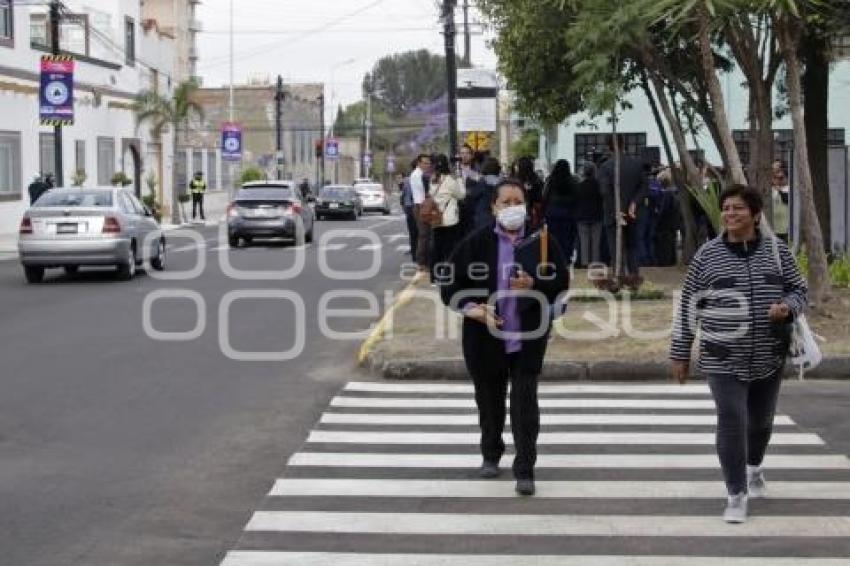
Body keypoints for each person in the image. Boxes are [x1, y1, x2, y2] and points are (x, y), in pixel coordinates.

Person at [670, 184, 807, 524]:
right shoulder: (707, 256)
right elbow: (689, 305)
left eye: (738, 208)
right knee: (732, 420)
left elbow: (799, 289)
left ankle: (754, 468)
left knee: (760, 423)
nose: (730, 214)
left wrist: (787, 307)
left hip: (769, 355)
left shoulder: (778, 252)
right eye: (726, 208)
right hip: (721, 356)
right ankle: (735, 493)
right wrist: (680, 352)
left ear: (756, 214)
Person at [440, 179, 569, 496]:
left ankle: (525, 468)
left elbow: (561, 282)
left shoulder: (543, 242)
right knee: (489, 400)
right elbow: (449, 286)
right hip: (485, 338)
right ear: (494, 208)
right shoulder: (476, 242)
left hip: (528, 336)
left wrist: (535, 284)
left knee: (525, 402)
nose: (513, 208)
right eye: (506, 202)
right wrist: (472, 308)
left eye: (518, 201)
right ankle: (490, 452)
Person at [597, 135, 649, 280]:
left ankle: (618, 277)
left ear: (608, 147)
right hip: (632, 213)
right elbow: (644, 187)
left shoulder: (606, 166)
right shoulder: (636, 164)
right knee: (632, 247)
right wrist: (634, 203)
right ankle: (633, 277)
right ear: (623, 144)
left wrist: (616, 210)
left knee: (616, 248)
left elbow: (605, 192)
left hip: (614, 214)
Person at [429, 154, 466, 282]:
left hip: (435, 218)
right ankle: (447, 275)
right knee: (450, 249)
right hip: (449, 220)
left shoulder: (433, 179)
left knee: (436, 248)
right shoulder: (450, 180)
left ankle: (434, 277)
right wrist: (460, 179)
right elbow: (461, 195)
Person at [542, 159, 578, 265]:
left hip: (552, 213)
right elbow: (576, 197)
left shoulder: (550, 181)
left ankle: (554, 257)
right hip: (568, 214)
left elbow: (545, 196)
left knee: (553, 237)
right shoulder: (572, 181)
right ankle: (566, 258)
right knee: (567, 237)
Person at [574, 161, 603, 266]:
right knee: (596, 241)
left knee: (584, 241)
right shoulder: (599, 186)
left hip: (582, 216)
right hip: (597, 216)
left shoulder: (579, 186)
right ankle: (595, 262)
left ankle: (585, 262)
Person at [464, 157, 501, 232]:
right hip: (497, 215)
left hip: (483, 215)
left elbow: (473, 194)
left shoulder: (483, 182)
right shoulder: (501, 182)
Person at [410, 154, 433, 272]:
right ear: (419, 163)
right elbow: (427, 190)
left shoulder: (423, 174)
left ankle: (424, 261)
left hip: (423, 206)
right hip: (421, 206)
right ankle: (421, 262)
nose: (427, 165)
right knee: (424, 235)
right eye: (424, 163)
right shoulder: (417, 175)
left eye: (428, 163)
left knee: (426, 234)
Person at [514, 156, 545, 229]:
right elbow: (540, 197)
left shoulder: (515, 180)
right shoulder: (536, 180)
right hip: (532, 214)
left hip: (518, 213)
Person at [400, 165, 419, 259]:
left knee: (412, 233)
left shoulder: (407, 180)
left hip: (409, 208)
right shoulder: (422, 178)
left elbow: (403, 195)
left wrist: (404, 206)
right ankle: (418, 254)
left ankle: (414, 254)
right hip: (416, 208)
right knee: (420, 232)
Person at [771, 161, 790, 242]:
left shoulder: (789, 189)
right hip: (773, 227)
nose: (778, 180)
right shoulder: (771, 190)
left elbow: (787, 200)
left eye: (781, 178)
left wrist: (780, 191)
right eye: (775, 178)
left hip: (785, 228)